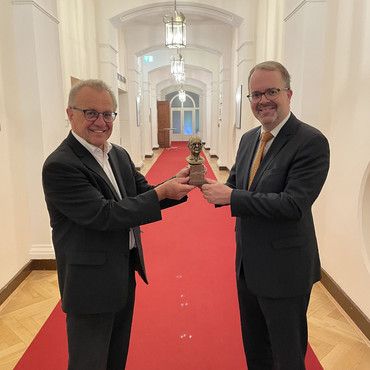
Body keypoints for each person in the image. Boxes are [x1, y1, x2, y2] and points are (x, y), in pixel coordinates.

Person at [42, 79, 195, 370]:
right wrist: (161, 192)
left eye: (108, 114)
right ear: (70, 114)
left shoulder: (118, 155)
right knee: (89, 362)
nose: (101, 122)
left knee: (115, 358)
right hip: (89, 285)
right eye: (91, 113)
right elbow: (104, 215)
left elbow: (141, 193)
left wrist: (177, 183)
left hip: (122, 273)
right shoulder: (61, 165)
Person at [201, 61, 329, 369]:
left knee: (286, 355)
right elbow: (235, 184)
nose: (263, 101)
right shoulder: (249, 139)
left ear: (289, 94)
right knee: (255, 350)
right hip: (248, 266)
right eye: (256, 94)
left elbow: (292, 205)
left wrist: (231, 197)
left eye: (271, 91)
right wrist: (201, 183)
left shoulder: (310, 142)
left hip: (286, 271)